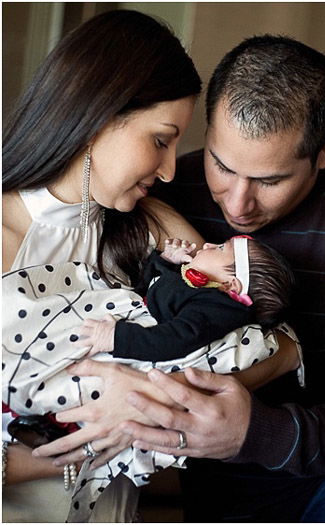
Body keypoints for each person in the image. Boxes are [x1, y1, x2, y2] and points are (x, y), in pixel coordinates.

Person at [3, 11, 298, 522]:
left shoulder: (151, 227)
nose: (167, 170)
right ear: (95, 119)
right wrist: (96, 433)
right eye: (161, 140)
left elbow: (281, 343)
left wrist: (150, 399)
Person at [124, 35, 325, 522]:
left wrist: (260, 432)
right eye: (222, 166)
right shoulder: (161, 194)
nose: (237, 204)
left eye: (270, 181)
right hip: (213, 496)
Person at [78, 236, 294, 360]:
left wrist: (118, 339)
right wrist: (166, 261)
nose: (208, 244)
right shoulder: (199, 291)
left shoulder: (216, 310)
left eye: (220, 248)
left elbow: (175, 339)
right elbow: (149, 290)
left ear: (230, 285)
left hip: (126, 342)